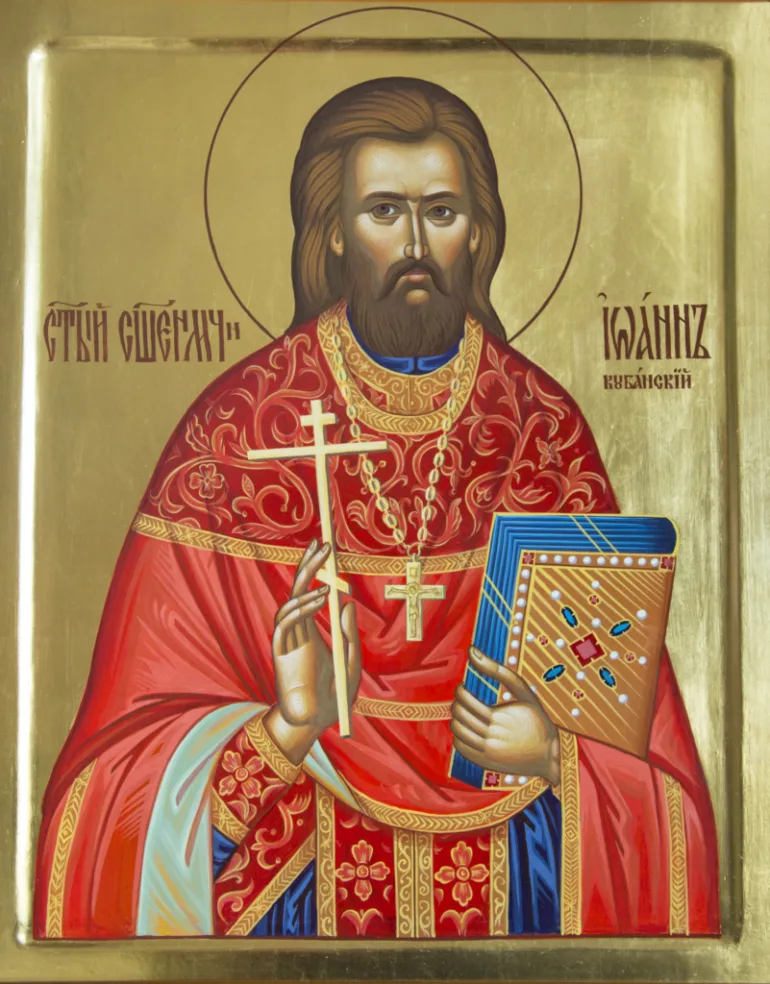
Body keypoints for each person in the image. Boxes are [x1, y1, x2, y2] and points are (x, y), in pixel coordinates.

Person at [34, 77, 719, 939]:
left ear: (479, 232)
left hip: (517, 875)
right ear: (333, 232)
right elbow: (112, 789)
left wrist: (553, 756)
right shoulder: (239, 434)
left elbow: (647, 767)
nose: (416, 245)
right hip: (299, 882)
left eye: (442, 212)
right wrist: (287, 729)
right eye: (384, 212)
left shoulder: (540, 430)